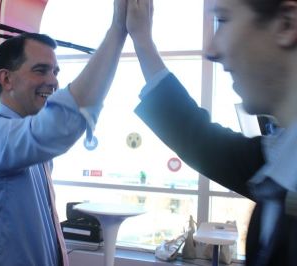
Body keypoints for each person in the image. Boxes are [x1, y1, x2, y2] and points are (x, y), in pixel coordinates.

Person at [126, 0, 297, 265]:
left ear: (287, 24)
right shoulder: (282, 160)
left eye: (224, 19)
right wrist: (142, 40)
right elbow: (202, 141)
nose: (211, 50)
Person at [0, 0, 128, 265]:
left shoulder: (29, 140)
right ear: (6, 79)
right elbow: (54, 130)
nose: (53, 81)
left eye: (55, 71)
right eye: (40, 70)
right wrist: (117, 31)